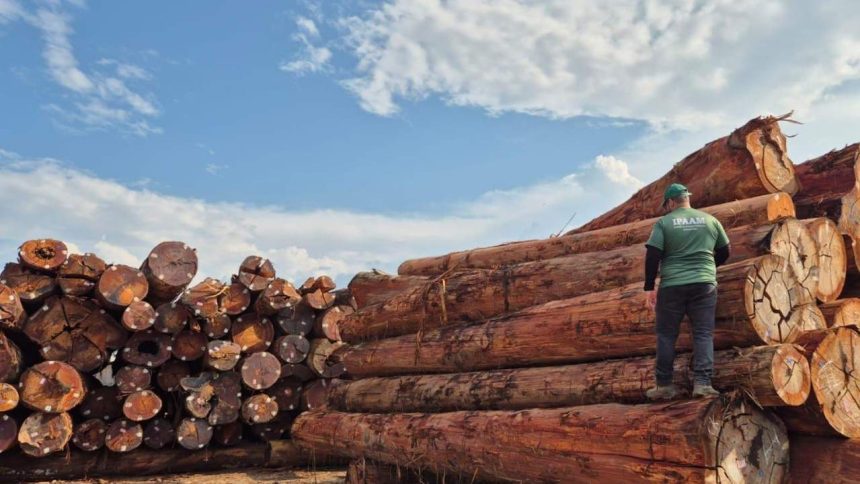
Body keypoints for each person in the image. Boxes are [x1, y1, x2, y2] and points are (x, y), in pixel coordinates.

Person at [643, 183, 731, 400]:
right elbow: (725, 251)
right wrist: (707, 268)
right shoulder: (710, 220)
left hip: (672, 285)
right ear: (687, 199)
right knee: (703, 333)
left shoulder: (664, 223)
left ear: (671, 202)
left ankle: (664, 386)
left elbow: (653, 255)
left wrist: (649, 288)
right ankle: (703, 384)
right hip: (704, 284)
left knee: (666, 335)